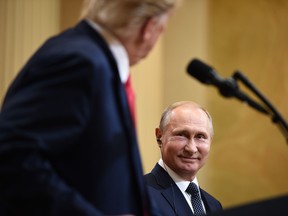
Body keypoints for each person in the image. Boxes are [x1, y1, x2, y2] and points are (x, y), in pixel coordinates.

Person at [0, 0, 180, 215]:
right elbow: (13, 159)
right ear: (148, 28)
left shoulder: (99, 62)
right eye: (163, 29)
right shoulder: (79, 60)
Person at [144, 101, 223, 216]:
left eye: (200, 137)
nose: (191, 148)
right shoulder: (138, 194)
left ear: (210, 141)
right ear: (159, 137)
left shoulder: (214, 205)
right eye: (181, 135)